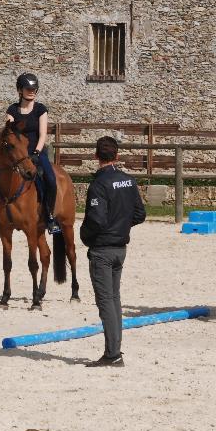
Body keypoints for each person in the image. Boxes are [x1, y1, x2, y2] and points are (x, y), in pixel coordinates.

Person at [80, 136, 146, 368]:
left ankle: (112, 353)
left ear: (96, 156)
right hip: (120, 248)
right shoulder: (128, 180)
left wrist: (84, 235)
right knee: (115, 299)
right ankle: (115, 349)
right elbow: (139, 214)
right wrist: (121, 225)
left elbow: (96, 220)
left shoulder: (99, 184)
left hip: (103, 249)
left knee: (106, 301)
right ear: (117, 156)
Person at [0, 72, 61, 236]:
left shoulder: (41, 109)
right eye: (28, 88)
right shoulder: (12, 110)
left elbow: (42, 135)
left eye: (34, 88)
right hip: (18, 157)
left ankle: (50, 217)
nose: (32, 91)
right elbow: (10, 133)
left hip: (37, 153)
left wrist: (36, 152)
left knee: (51, 179)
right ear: (20, 90)